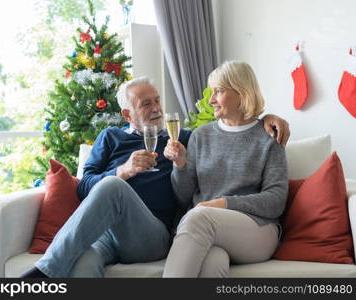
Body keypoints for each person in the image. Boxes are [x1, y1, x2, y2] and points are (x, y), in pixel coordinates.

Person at [21, 76, 289, 278]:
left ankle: (43, 273)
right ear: (128, 114)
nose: (156, 108)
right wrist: (122, 170)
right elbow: (84, 188)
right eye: (146, 104)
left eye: (157, 100)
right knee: (82, 262)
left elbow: (228, 127)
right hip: (105, 235)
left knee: (113, 186)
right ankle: (53, 268)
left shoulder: (181, 138)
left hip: (151, 235)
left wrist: (265, 118)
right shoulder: (110, 138)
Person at [162, 61, 289, 277]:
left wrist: (224, 203)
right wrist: (180, 164)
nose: (211, 100)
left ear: (242, 93)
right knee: (213, 262)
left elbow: (276, 201)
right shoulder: (201, 136)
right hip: (210, 229)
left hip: (258, 230)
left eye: (218, 92)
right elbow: (184, 197)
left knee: (199, 217)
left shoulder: (268, 137)